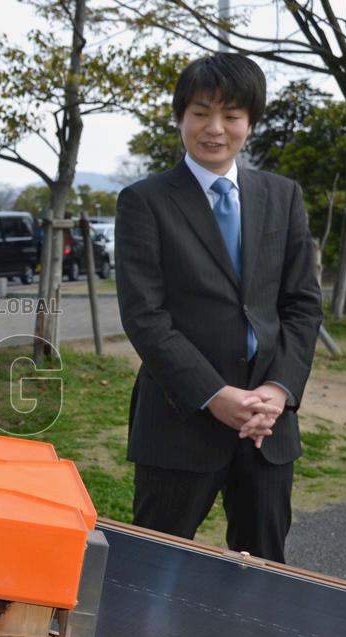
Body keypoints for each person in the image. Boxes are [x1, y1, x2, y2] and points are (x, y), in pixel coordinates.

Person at [115, 53, 323, 563]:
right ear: (180, 117)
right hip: (179, 420)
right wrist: (214, 394)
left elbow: (301, 304)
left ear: (249, 122)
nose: (215, 128)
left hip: (266, 426)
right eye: (201, 112)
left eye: (231, 116)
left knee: (265, 570)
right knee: (153, 568)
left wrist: (277, 391)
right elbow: (145, 316)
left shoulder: (282, 195)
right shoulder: (145, 201)